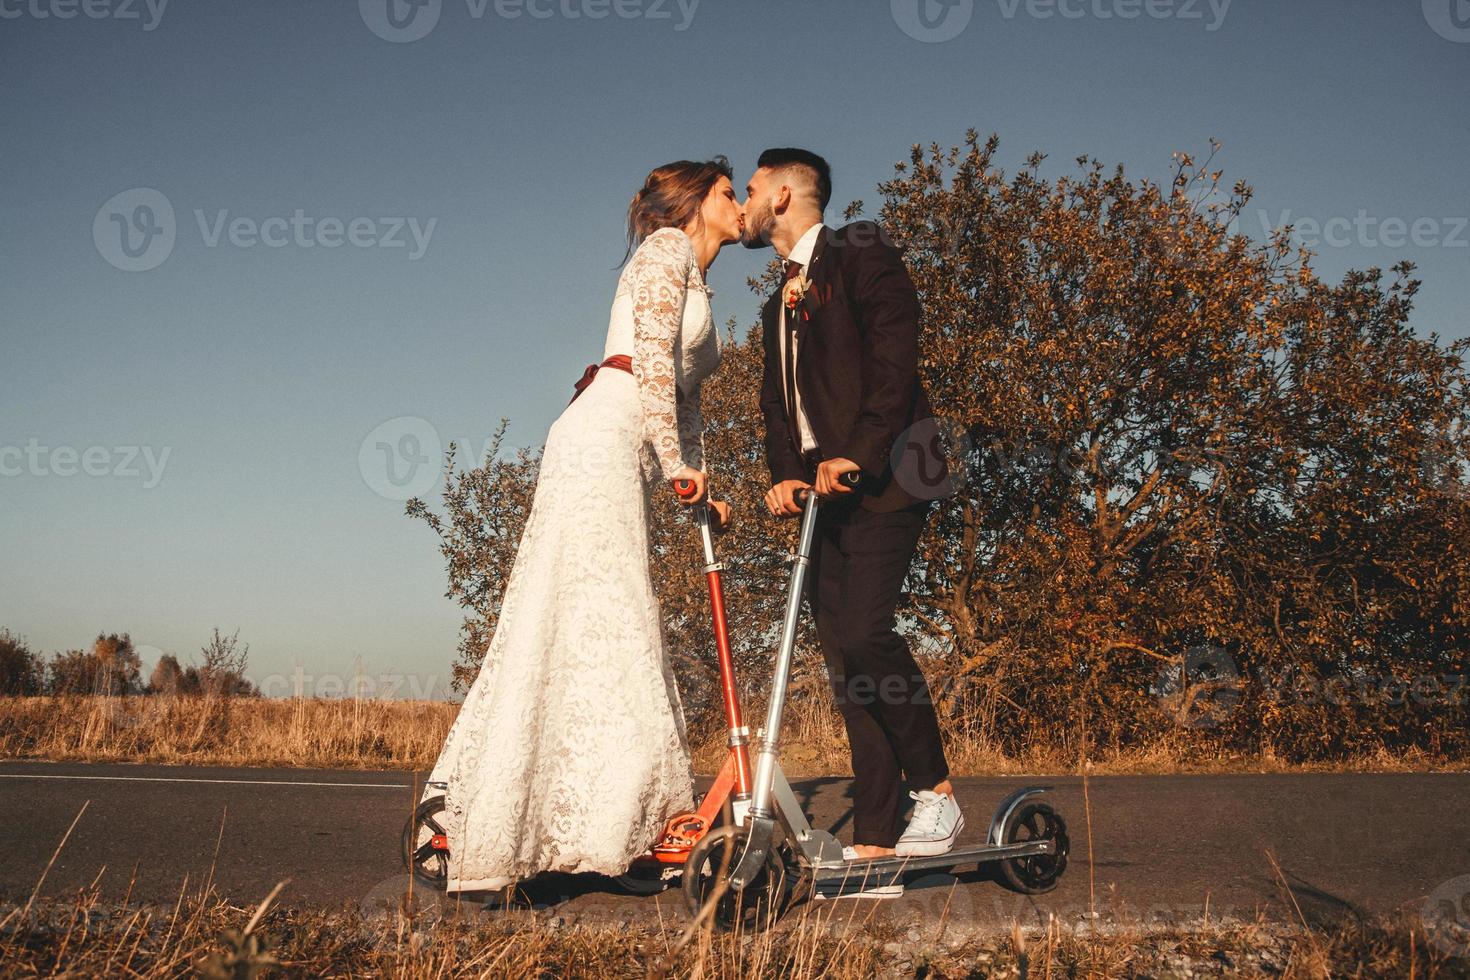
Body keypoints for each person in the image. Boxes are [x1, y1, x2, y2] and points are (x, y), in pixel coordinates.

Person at [423, 157, 744, 894]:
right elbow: (654, 371)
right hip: (601, 439)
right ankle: (480, 820)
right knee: (602, 618)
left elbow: (684, 397)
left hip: (624, 445)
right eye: (729, 192)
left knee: (606, 624)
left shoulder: (695, 274)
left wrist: (699, 487)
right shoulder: (665, 253)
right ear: (696, 202)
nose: (739, 204)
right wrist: (673, 463)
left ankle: (606, 826)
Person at [742, 147, 958, 897]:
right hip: (824, 495)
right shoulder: (776, 302)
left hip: (891, 473)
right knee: (844, 660)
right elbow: (778, 406)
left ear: (787, 194)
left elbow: (897, 358)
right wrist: (783, 474)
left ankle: (936, 792)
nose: (743, 198)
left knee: (867, 631)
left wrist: (858, 455)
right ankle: (875, 835)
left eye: (752, 187)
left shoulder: (858, 249)